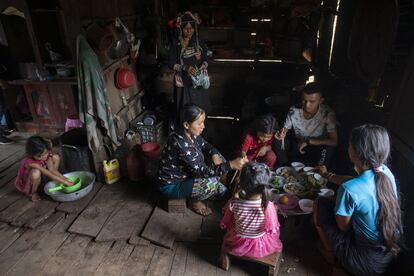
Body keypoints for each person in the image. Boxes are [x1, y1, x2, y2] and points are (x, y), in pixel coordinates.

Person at [313, 124, 403, 275]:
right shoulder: (385, 173)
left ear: (354, 152)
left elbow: (344, 228)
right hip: (387, 255)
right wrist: (328, 175)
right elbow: (357, 182)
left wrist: (339, 204)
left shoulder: (349, 189)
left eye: (349, 144)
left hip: (364, 263)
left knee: (319, 204)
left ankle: (332, 256)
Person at [158, 104, 247, 216]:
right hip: (172, 185)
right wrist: (230, 165)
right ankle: (194, 202)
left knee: (220, 159)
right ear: (186, 124)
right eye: (199, 123)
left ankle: (216, 190)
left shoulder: (190, 133)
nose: (203, 126)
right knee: (212, 183)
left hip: (187, 174)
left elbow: (206, 145)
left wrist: (214, 153)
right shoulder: (181, 145)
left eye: (203, 122)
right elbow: (202, 172)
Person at [219, 161, 283, 261]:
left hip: (238, 241)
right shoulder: (267, 206)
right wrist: (275, 209)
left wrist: (234, 196)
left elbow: (227, 219)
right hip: (260, 244)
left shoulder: (234, 203)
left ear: (241, 185)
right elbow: (271, 227)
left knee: (234, 220)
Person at [276, 82, 337, 165]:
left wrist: (309, 141)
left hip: (317, 145)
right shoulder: (294, 111)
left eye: (312, 101)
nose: (307, 105)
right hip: (298, 143)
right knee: (278, 141)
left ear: (321, 101)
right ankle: (285, 168)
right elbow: (285, 129)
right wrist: (281, 133)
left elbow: (334, 141)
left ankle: (320, 171)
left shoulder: (327, 113)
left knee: (328, 148)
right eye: (304, 100)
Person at [168, 11, 211, 121]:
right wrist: (185, 68)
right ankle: (184, 132)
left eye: (191, 28)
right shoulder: (175, 44)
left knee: (199, 109)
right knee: (184, 109)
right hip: (183, 83)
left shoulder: (198, 42)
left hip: (198, 82)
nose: (189, 31)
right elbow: (171, 63)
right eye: (186, 28)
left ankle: (198, 133)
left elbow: (206, 58)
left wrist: (203, 66)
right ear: (180, 28)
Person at [15, 136, 74, 202]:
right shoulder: (30, 162)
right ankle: (33, 193)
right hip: (29, 181)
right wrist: (66, 182)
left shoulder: (46, 151)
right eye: (39, 156)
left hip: (43, 174)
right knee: (35, 173)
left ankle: (51, 181)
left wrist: (65, 179)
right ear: (32, 155)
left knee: (55, 157)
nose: (43, 157)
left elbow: (52, 170)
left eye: (45, 153)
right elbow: (49, 173)